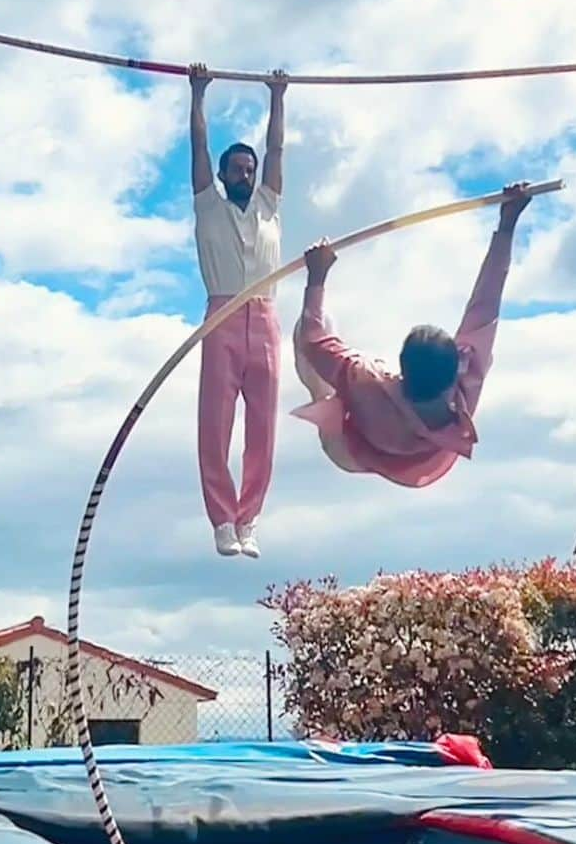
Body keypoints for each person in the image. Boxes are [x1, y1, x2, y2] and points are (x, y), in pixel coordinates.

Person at [292, 184, 534, 487]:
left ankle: (323, 398)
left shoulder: (368, 382)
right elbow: (486, 301)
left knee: (314, 329)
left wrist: (317, 277)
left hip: (349, 454)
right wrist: (507, 226)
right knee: (324, 348)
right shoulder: (465, 382)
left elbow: (313, 340)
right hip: (422, 460)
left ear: (402, 372)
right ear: (451, 374)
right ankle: (327, 396)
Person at [190, 63, 288, 557]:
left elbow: (276, 150)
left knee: (263, 429)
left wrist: (277, 96)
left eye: (250, 170)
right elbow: (199, 150)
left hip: (265, 317)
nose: (246, 175)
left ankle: (249, 519)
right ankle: (222, 521)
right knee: (216, 424)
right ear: (226, 176)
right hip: (222, 315)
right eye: (238, 170)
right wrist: (199, 93)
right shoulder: (209, 205)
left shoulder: (270, 203)